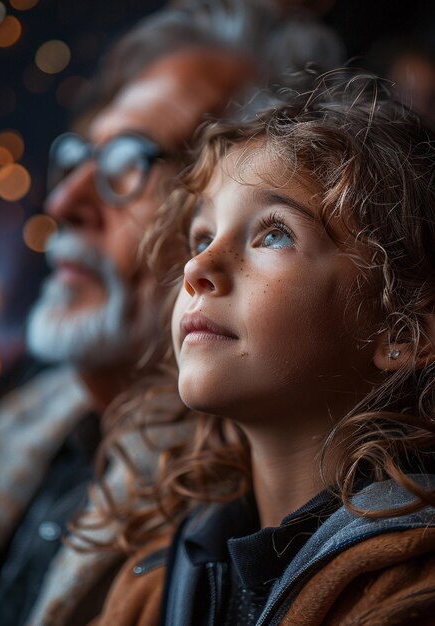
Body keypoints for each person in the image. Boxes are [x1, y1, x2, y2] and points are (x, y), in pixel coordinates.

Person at [0, 2, 345, 625]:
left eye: (130, 161)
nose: (65, 200)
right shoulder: (12, 420)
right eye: (79, 159)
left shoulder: (236, 535)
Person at [89, 70, 435, 626]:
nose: (198, 268)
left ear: (400, 332)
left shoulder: (411, 590)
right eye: (202, 237)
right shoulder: (153, 579)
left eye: (274, 233)